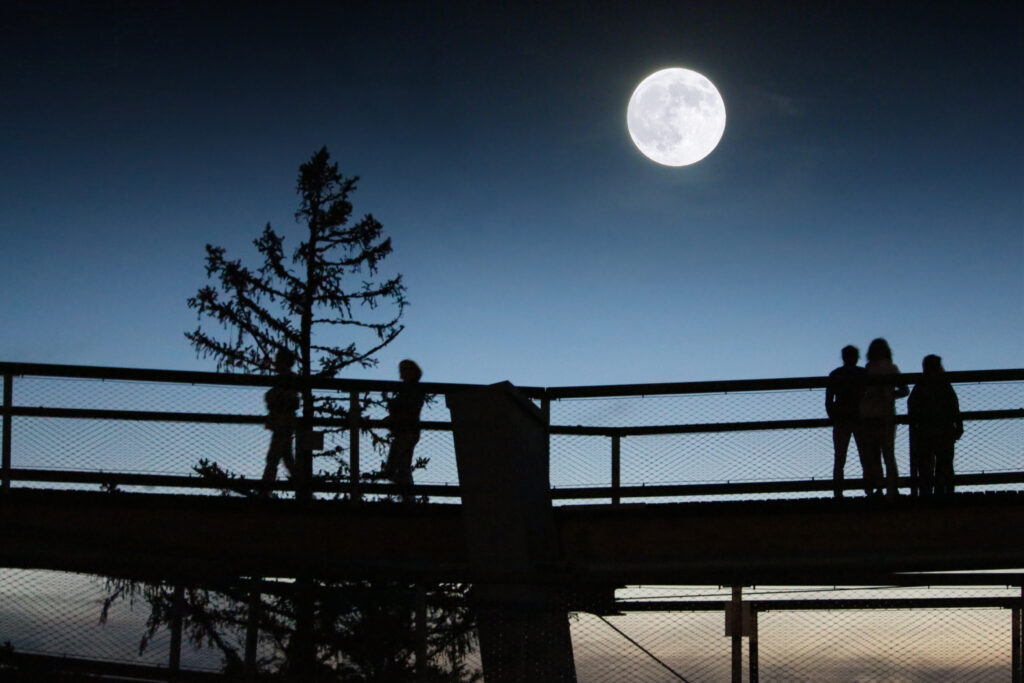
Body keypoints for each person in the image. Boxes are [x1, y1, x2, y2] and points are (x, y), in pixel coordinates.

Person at [858, 338, 909, 499]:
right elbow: (904, 390)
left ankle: (878, 488)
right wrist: (890, 395)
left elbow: (861, 390)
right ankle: (892, 488)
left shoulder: (868, 369)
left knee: (874, 454)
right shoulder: (891, 368)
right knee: (888, 452)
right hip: (886, 413)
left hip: (869, 414)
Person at [908, 355, 963, 496]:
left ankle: (925, 494)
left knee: (925, 465)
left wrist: (915, 425)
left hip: (925, 431)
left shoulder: (921, 384)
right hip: (945, 430)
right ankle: (945, 493)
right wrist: (958, 425)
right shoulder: (944, 383)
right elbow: (954, 405)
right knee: (945, 464)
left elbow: (912, 404)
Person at [825, 345, 867, 498]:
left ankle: (838, 491)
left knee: (839, 457)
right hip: (860, 419)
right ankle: (868, 489)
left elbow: (829, 401)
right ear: (856, 357)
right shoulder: (863, 373)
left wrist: (833, 416)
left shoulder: (835, 374)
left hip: (841, 419)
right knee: (865, 455)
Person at [383, 360, 425, 499]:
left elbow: (405, 409)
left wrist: (390, 403)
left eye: (405, 369)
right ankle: (408, 497)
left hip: (407, 431)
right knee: (402, 467)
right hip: (407, 431)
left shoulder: (412, 389)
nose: (402, 373)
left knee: (397, 467)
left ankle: (408, 496)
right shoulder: (411, 389)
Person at [262, 348, 299, 492]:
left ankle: (265, 491)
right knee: (286, 458)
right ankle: (303, 490)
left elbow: (276, 398)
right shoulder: (288, 379)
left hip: (283, 423)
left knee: (274, 457)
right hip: (284, 423)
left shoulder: (287, 379)